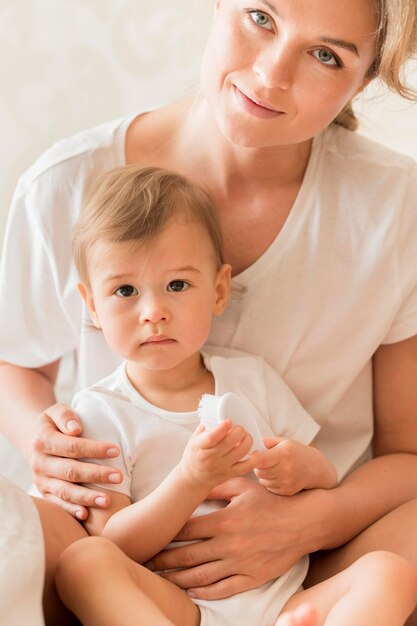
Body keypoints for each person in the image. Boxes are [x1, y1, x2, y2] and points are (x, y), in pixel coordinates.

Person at [0, 0, 417, 623]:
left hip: (312, 559)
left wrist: (307, 522)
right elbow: (13, 363)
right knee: (34, 537)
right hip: (125, 559)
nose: (272, 75)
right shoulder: (67, 183)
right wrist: (48, 442)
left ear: (364, 80)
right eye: (261, 17)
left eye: (326, 55)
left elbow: (408, 454)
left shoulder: (396, 210)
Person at [54, 164, 416, 626]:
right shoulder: (100, 413)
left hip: (281, 599)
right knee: (82, 563)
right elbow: (115, 543)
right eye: (125, 290)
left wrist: (298, 467)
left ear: (219, 290)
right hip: (178, 605)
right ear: (93, 308)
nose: (154, 312)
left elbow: (324, 476)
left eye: (177, 285)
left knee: (389, 573)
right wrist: (191, 479)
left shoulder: (251, 379)